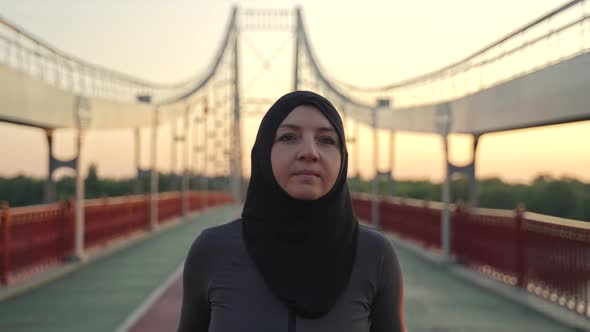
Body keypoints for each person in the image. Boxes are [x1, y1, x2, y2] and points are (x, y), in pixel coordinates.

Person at [177, 91, 405, 332]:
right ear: (264, 152)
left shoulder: (375, 254)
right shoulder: (212, 250)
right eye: (288, 137)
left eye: (326, 140)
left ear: (343, 159)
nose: (310, 152)